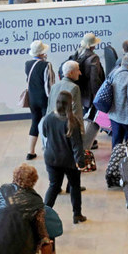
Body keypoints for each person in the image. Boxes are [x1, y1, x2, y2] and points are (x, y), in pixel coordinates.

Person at [41, 91, 86, 224]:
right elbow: (77, 145)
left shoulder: (48, 118)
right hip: (69, 161)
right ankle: (77, 215)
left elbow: (45, 133)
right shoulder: (72, 122)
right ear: (70, 104)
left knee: (54, 186)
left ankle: (43, 215)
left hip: (51, 158)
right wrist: (81, 162)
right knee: (74, 186)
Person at [24, 40, 55, 160]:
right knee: (47, 124)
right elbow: (50, 84)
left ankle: (30, 152)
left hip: (32, 99)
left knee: (35, 122)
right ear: (42, 52)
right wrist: (52, 99)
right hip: (44, 99)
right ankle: (48, 151)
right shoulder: (46, 65)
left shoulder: (27, 64)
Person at [108, 52, 128, 148]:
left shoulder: (114, 72)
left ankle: (115, 161)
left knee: (116, 142)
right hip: (126, 118)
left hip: (114, 114)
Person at [74, 32, 106, 115]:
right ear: (93, 45)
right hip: (90, 92)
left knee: (85, 113)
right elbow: (94, 78)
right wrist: (97, 93)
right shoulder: (94, 58)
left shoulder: (79, 53)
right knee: (92, 116)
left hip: (82, 89)